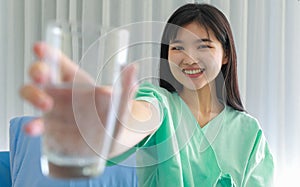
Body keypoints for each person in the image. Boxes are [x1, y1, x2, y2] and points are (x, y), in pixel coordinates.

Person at [20, 3, 274, 187]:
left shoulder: (250, 134)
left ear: (226, 54)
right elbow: (135, 118)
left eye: (203, 46)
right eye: (177, 48)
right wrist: (105, 123)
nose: (189, 58)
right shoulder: (159, 103)